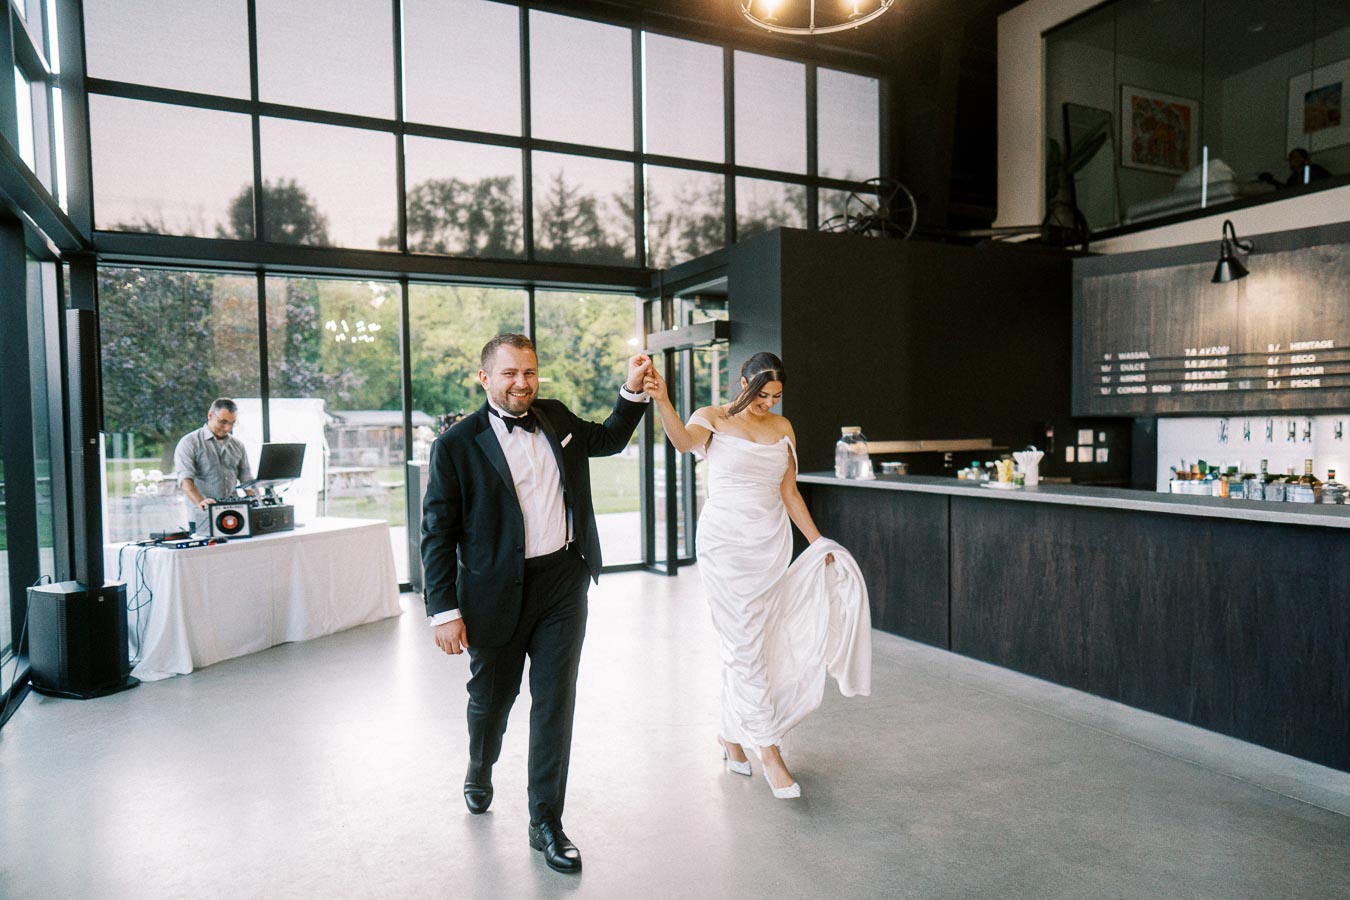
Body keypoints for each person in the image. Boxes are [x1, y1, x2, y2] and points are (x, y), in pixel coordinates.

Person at [421, 333, 651, 874]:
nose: (522, 382)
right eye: (509, 374)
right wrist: (443, 610)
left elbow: (611, 439)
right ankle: (480, 767)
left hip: (562, 585)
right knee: (492, 702)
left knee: (553, 704)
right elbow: (437, 532)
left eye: (529, 372)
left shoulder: (555, 417)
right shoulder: (456, 444)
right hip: (494, 594)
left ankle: (545, 821)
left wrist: (632, 390)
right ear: (485, 378)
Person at [643, 352, 871, 799]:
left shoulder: (783, 428)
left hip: (770, 544)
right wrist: (664, 400)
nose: (768, 402)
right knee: (745, 642)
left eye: (776, 396)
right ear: (743, 382)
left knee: (753, 642)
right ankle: (768, 748)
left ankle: (730, 737)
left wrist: (818, 542)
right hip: (725, 545)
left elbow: (788, 492)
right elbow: (683, 443)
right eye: (761, 393)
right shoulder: (711, 418)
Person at [174, 398, 253, 535]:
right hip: (202, 516)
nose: (228, 428)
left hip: (235, 516)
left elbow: (246, 478)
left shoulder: (238, 445)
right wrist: (201, 502)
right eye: (223, 422)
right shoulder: (189, 442)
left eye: (232, 423)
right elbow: (185, 480)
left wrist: (256, 501)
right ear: (210, 415)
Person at [1259, 147, 1331, 188]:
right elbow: (1288, 190)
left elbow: (1327, 182)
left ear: (1304, 158)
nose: (1293, 160)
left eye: (1296, 157)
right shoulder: (1292, 178)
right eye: (1291, 158)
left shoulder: (1314, 170)